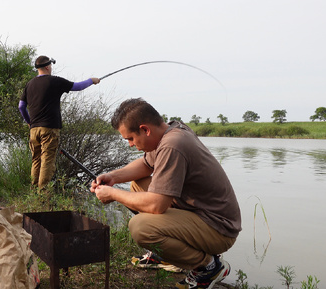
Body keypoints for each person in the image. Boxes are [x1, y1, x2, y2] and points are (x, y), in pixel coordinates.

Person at [90, 98, 241, 289]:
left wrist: (112, 193)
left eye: (130, 138)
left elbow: (156, 205)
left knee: (141, 227)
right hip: (197, 213)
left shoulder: (172, 145)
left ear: (145, 129)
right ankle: (169, 253)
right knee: (139, 186)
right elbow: (146, 164)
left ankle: (209, 267)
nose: (129, 144)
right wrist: (112, 177)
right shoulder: (170, 131)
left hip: (218, 229)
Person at [19, 55, 100, 189]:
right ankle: (43, 194)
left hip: (34, 130)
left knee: (36, 160)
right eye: (50, 65)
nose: (51, 68)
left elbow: (21, 106)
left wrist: (29, 122)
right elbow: (78, 86)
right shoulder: (54, 81)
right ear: (47, 66)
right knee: (47, 161)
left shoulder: (29, 84)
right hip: (49, 129)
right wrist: (92, 80)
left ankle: (33, 191)